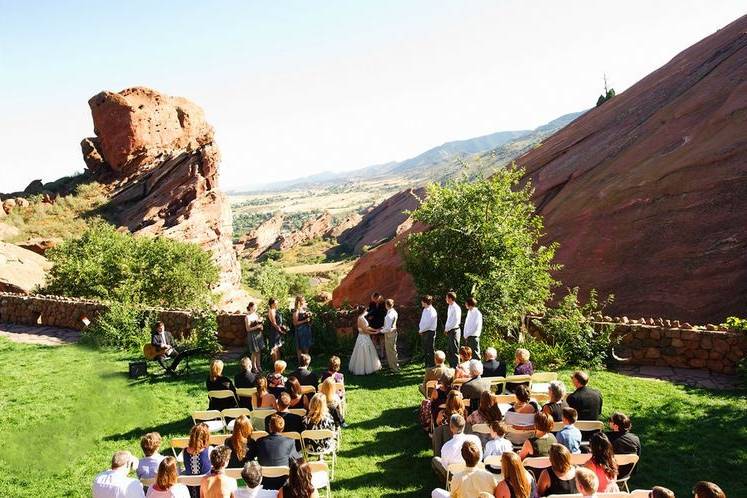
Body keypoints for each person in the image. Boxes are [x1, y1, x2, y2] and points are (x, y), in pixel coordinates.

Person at [432, 441, 497, 498]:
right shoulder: (489, 476)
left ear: (463, 457)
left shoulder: (457, 477)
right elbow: (495, 492)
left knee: (435, 491)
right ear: (479, 456)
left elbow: (452, 496)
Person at [431, 414, 482, 482]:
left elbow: (445, 467)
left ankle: (444, 482)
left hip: (455, 478)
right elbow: (480, 457)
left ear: (451, 428)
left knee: (435, 459)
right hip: (474, 472)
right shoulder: (475, 439)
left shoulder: (446, 446)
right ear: (464, 427)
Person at [256, 415, 299, 489]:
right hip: (283, 482)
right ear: (282, 427)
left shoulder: (260, 441)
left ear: (270, 427)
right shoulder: (290, 441)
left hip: (264, 481)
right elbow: (296, 460)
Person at [348, 304, 382, 375]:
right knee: (364, 352)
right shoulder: (361, 319)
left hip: (363, 337)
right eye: (366, 310)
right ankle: (364, 369)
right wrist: (375, 333)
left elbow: (367, 327)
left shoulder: (361, 317)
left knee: (366, 352)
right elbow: (365, 330)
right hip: (363, 337)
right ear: (364, 310)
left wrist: (375, 329)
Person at [606, 411, 640, 480]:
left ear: (616, 426)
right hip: (626, 474)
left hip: (609, 473)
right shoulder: (635, 438)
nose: (609, 421)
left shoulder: (606, 438)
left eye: (610, 420)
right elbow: (637, 456)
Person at [183, 424, 213, 498]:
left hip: (190, 490)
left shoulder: (184, 451)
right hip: (207, 490)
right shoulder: (210, 450)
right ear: (206, 437)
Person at [292, 296, 313, 364]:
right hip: (300, 330)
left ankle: (306, 362)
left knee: (306, 346)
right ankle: (300, 363)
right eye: (303, 300)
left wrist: (310, 318)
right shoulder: (296, 310)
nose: (304, 301)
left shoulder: (304, 309)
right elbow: (295, 323)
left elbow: (307, 318)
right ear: (299, 301)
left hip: (306, 329)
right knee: (300, 347)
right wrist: (305, 320)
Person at [244, 302, 264, 373]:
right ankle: (254, 367)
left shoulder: (256, 315)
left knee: (259, 351)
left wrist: (261, 326)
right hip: (252, 335)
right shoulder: (247, 317)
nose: (255, 308)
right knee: (254, 352)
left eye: (256, 307)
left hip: (258, 334)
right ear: (250, 307)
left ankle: (259, 366)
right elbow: (248, 329)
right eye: (254, 307)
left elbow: (259, 324)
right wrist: (256, 327)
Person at [419, 295, 438, 368]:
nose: (421, 302)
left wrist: (421, 330)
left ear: (425, 302)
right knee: (425, 349)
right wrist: (421, 329)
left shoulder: (432, 311)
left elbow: (428, 324)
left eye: (422, 301)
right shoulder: (424, 310)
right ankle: (427, 364)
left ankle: (432, 365)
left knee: (430, 349)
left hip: (430, 332)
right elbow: (422, 321)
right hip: (424, 331)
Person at [444, 291, 462, 368]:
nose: (446, 299)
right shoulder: (450, 306)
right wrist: (446, 328)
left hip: (454, 330)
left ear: (450, 298)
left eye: (447, 298)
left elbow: (455, 321)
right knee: (450, 350)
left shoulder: (456, 308)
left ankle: (457, 368)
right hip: (450, 330)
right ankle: (452, 367)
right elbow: (449, 319)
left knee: (454, 350)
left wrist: (447, 329)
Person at [380, 298, 400, 372]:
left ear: (386, 305)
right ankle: (394, 367)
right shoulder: (394, 312)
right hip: (393, 332)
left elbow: (388, 328)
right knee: (393, 350)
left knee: (390, 351)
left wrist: (380, 331)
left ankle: (394, 368)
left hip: (389, 334)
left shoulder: (389, 315)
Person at [266, 298, 288, 364]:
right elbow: (274, 323)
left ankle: (279, 364)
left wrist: (283, 327)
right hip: (274, 331)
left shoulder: (275, 310)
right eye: (275, 303)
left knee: (278, 347)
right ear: (272, 304)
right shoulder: (271, 311)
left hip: (278, 330)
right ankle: (274, 365)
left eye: (277, 303)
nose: (277, 304)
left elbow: (279, 322)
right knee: (274, 348)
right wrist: (280, 330)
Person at [366, 292, 387, 359]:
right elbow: (369, 311)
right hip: (373, 323)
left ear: (378, 297)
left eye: (375, 299)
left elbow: (384, 313)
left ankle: (382, 354)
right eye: (373, 299)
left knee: (382, 338)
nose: (374, 300)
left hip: (381, 323)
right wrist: (369, 316)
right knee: (374, 338)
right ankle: (374, 354)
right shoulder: (372, 303)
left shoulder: (384, 303)